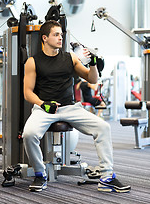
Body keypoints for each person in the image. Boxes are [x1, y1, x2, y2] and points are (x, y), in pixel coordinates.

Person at [23, 20, 131, 193]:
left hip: (70, 108)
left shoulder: (70, 57)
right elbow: (28, 93)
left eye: (61, 34)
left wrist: (93, 63)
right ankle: (40, 174)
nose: (60, 37)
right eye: (56, 34)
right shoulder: (33, 62)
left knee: (103, 127)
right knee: (29, 134)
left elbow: (92, 79)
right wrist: (44, 104)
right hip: (45, 108)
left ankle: (107, 177)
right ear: (44, 38)